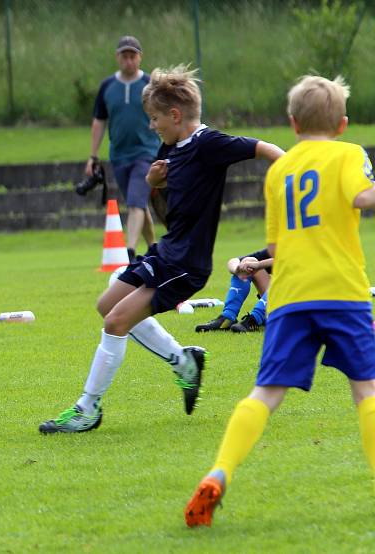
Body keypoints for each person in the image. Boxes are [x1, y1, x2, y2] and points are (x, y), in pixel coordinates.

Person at [40, 65, 283, 433]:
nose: (152, 126)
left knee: (115, 322)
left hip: (187, 263)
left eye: (154, 119)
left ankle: (87, 409)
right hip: (168, 250)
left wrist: (300, 172)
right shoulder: (170, 147)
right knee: (107, 304)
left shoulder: (209, 143)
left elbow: (267, 149)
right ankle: (182, 361)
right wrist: (154, 185)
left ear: (175, 114)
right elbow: (168, 214)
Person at [184, 75, 375, 527]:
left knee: (266, 392)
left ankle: (219, 471)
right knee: (366, 389)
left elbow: (277, 248)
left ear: (292, 123)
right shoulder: (348, 154)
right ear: (343, 123)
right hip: (342, 293)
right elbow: (363, 196)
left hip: (289, 298)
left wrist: (255, 268)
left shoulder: (279, 171)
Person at [87, 35, 160, 260]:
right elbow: (99, 120)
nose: (129, 60)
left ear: (140, 57)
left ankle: (130, 251)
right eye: (124, 56)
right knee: (137, 202)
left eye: (133, 56)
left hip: (146, 153)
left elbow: (163, 116)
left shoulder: (150, 85)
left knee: (136, 200)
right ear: (118, 57)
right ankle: (155, 249)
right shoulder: (108, 86)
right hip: (119, 156)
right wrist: (93, 156)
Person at [195, 249, 272, 333]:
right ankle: (228, 317)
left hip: (286, 306)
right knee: (247, 261)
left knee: (286, 278)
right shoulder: (281, 247)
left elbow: (285, 261)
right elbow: (234, 261)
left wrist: (258, 265)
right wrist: (238, 269)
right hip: (275, 302)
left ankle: (255, 319)